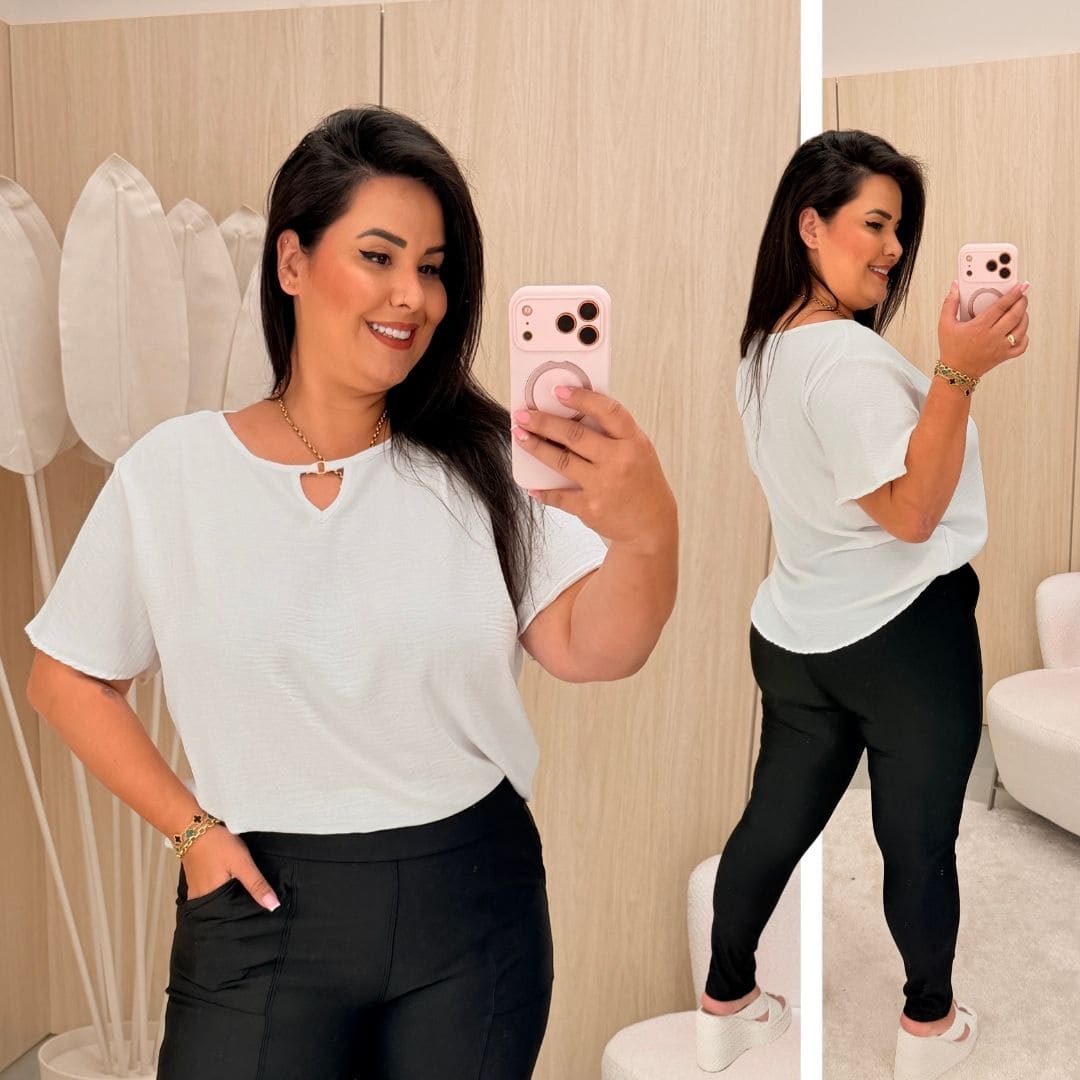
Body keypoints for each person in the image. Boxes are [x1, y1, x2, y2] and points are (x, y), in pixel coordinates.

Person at [25, 106, 678, 1080]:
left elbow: (595, 648)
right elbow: (66, 678)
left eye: (434, 267)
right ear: (293, 263)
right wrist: (193, 832)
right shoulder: (174, 472)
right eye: (378, 256)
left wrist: (648, 530)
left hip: (471, 901)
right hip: (259, 897)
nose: (412, 295)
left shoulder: (486, 463)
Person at [695, 130, 1029, 1078]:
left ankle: (727, 1004)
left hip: (797, 633)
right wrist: (958, 372)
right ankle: (929, 1028)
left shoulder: (764, 351)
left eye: (899, 229)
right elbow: (913, 515)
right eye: (874, 224)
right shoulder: (842, 358)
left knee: (772, 823)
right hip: (902, 639)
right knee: (917, 841)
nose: (892, 248)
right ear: (810, 225)